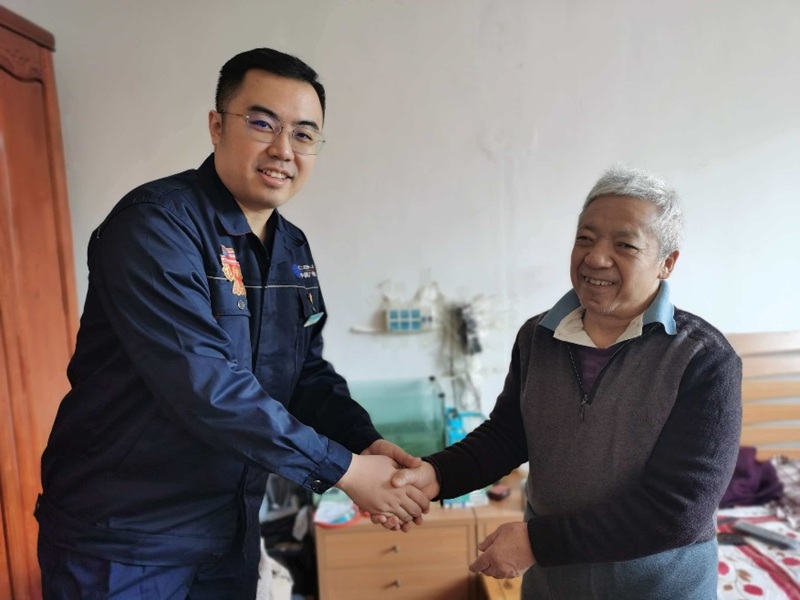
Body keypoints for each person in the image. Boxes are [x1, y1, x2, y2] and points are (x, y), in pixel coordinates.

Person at [35, 47, 428, 599]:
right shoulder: (155, 227)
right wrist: (344, 472)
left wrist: (365, 445)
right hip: (125, 539)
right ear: (217, 126)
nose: (283, 150)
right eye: (263, 123)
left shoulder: (291, 248)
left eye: (304, 134)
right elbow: (206, 386)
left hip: (227, 535)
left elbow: (304, 376)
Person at [390, 165, 742, 599]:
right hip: (555, 585)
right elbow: (508, 435)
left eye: (625, 245)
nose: (596, 258)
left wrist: (537, 543)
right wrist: (436, 474)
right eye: (585, 238)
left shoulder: (703, 360)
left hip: (658, 587)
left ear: (666, 263)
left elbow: (678, 510)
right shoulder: (538, 337)